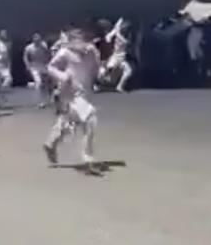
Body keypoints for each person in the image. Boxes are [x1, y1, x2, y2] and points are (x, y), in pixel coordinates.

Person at [43, 28, 101, 171]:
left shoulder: (91, 52)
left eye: (84, 39)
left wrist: (97, 62)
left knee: (68, 122)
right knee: (90, 119)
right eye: (78, 39)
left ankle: (51, 143)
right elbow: (50, 67)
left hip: (85, 91)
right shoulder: (65, 53)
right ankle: (88, 159)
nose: (82, 43)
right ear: (72, 41)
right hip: (71, 93)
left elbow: (95, 70)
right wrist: (61, 76)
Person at [101, 18, 133, 92]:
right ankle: (97, 84)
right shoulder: (116, 33)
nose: (125, 28)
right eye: (124, 27)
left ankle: (119, 86)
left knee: (128, 71)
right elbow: (107, 38)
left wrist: (117, 32)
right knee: (108, 70)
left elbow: (125, 42)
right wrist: (115, 31)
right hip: (115, 56)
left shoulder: (127, 36)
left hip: (122, 57)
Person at [23, 33, 51, 108]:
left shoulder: (44, 46)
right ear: (33, 40)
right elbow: (25, 57)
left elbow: (48, 54)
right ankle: (38, 101)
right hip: (34, 66)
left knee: (45, 84)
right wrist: (27, 65)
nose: (38, 41)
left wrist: (48, 64)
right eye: (36, 40)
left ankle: (45, 100)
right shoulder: (29, 47)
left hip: (42, 65)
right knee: (38, 82)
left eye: (39, 40)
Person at [0, 29, 12, 104]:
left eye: (5, 33)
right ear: (0, 34)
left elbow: (8, 55)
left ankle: (2, 92)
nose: (5, 35)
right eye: (3, 33)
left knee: (9, 79)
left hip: (5, 65)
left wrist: (9, 64)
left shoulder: (7, 44)